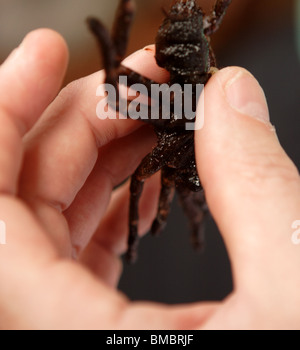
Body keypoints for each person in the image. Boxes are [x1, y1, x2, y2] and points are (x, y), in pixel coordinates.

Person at [0, 28, 299, 330]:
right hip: (181, 129)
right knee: (158, 180)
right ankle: (184, 230)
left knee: (163, 184)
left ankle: (183, 230)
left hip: (191, 127)